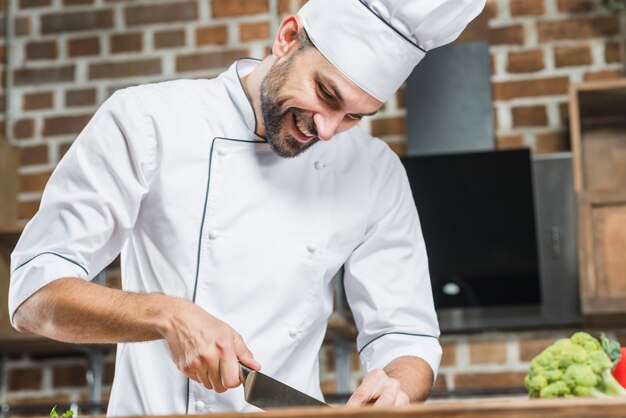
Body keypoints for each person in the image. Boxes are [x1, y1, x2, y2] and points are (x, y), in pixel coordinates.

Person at [8, 0, 485, 415]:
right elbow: (35, 295)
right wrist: (168, 315)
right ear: (288, 37)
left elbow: (406, 335)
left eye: (354, 116)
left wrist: (397, 383)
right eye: (325, 94)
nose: (326, 130)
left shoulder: (374, 170)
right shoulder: (149, 120)